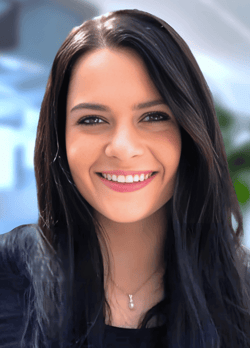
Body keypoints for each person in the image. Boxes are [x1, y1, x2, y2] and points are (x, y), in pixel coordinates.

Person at [0, 8, 250, 348]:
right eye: (92, 120)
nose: (122, 148)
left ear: (190, 131)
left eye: (153, 116)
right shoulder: (8, 276)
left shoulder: (243, 292)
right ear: (60, 138)